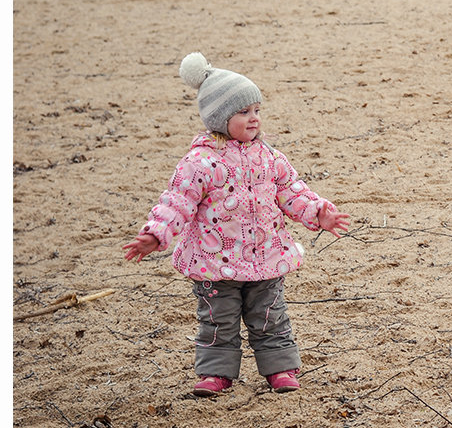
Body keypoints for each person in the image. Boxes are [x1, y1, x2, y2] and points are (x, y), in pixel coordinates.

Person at [123, 53, 350, 397]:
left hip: (265, 258)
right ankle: (216, 374)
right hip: (215, 263)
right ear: (219, 118)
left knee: (270, 316)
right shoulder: (199, 163)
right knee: (218, 321)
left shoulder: (270, 158)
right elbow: (178, 202)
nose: (254, 118)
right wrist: (157, 233)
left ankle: (281, 369)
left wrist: (318, 213)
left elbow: (292, 193)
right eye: (243, 112)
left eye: (257, 110)